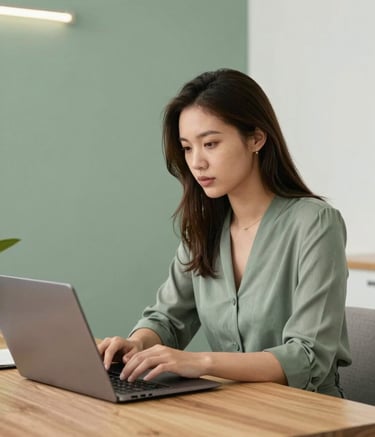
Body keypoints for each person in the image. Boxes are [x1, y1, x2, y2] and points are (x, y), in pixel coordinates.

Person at [98, 68, 351, 397]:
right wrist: (136, 344)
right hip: (231, 410)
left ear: (256, 138)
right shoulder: (204, 228)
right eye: (187, 148)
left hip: (308, 415)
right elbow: (168, 318)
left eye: (211, 143)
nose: (197, 162)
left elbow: (307, 356)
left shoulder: (315, 224)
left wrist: (200, 362)